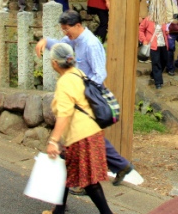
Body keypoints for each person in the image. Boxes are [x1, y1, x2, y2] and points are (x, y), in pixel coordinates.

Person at [35, 10, 134, 189]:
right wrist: (46, 41)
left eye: (67, 29)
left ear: (78, 25)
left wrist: (84, 90)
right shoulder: (72, 40)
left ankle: (84, 181)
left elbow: (100, 73)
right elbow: (61, 48)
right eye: (63, 30)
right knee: (88, 137)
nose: (65, 33)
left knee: (87, 137)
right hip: (80, 95)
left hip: (89, 95)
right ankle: (117, 166)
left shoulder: (91, 43)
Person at [45, 43, 112, 214]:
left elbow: (64, 114)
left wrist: (53, 140)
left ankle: (107, 213)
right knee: (66, 170)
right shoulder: (78, 73)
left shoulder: (65, 82)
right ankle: (58, 210)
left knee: (88, 181)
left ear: (54, 63)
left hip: (80, 136)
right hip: (91, 131)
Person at [139, 15, 169, 89]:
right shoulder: (148, 19)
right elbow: (141, 29)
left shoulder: (163, 19)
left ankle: (154, 74)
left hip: (163, 44)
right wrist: (144, 39)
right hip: (153, 44)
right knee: (156, 62)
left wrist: (168, 31)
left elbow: (167, 29)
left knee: (164, 60)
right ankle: (158, 82)